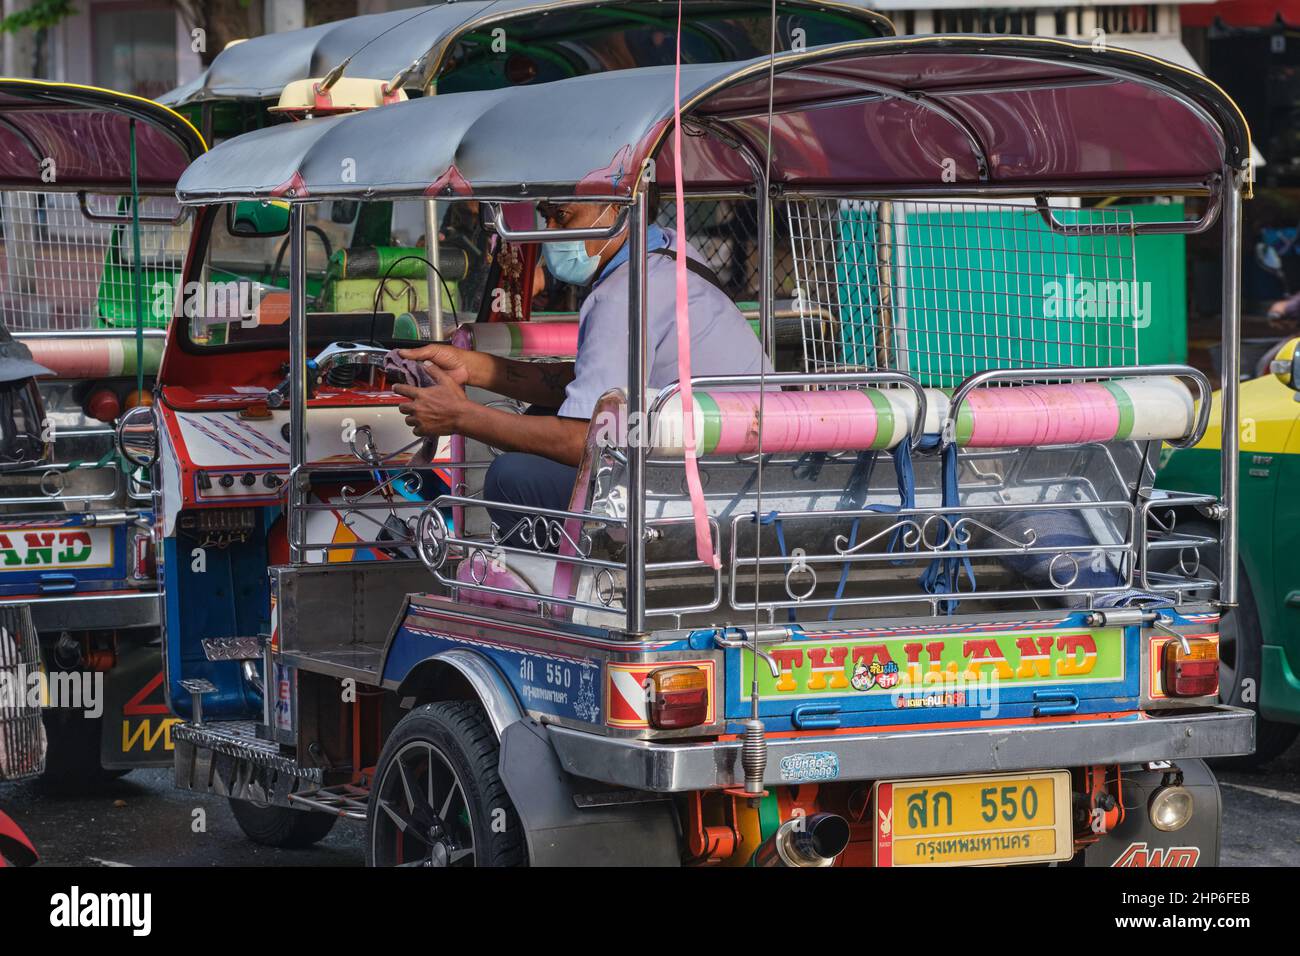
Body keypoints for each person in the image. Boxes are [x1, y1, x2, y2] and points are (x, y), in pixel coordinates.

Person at [392, 200, 770, 526]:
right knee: (540, 416)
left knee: (511, 478)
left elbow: (582, 442)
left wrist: (461, 417)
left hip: (702, 489)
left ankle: (567, 591)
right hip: (744, 471)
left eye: (564, 217)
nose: (552, 232)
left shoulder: (622, 294)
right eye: (547, 217)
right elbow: (585, 384)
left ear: (618, 209)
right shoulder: (668, 248)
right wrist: (472, 368)